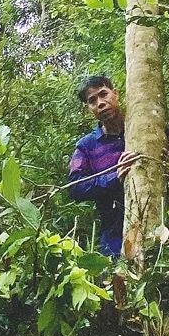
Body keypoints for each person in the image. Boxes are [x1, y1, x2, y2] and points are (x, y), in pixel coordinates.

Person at [67, 75, 137, 257]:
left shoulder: (143, 128)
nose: (100, 103)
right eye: (92, 101)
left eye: (104, 95)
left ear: (116, 94)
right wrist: (115, 176)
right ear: (89, 109)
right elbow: (75, 187)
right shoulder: (87, 146)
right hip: (114, 233)